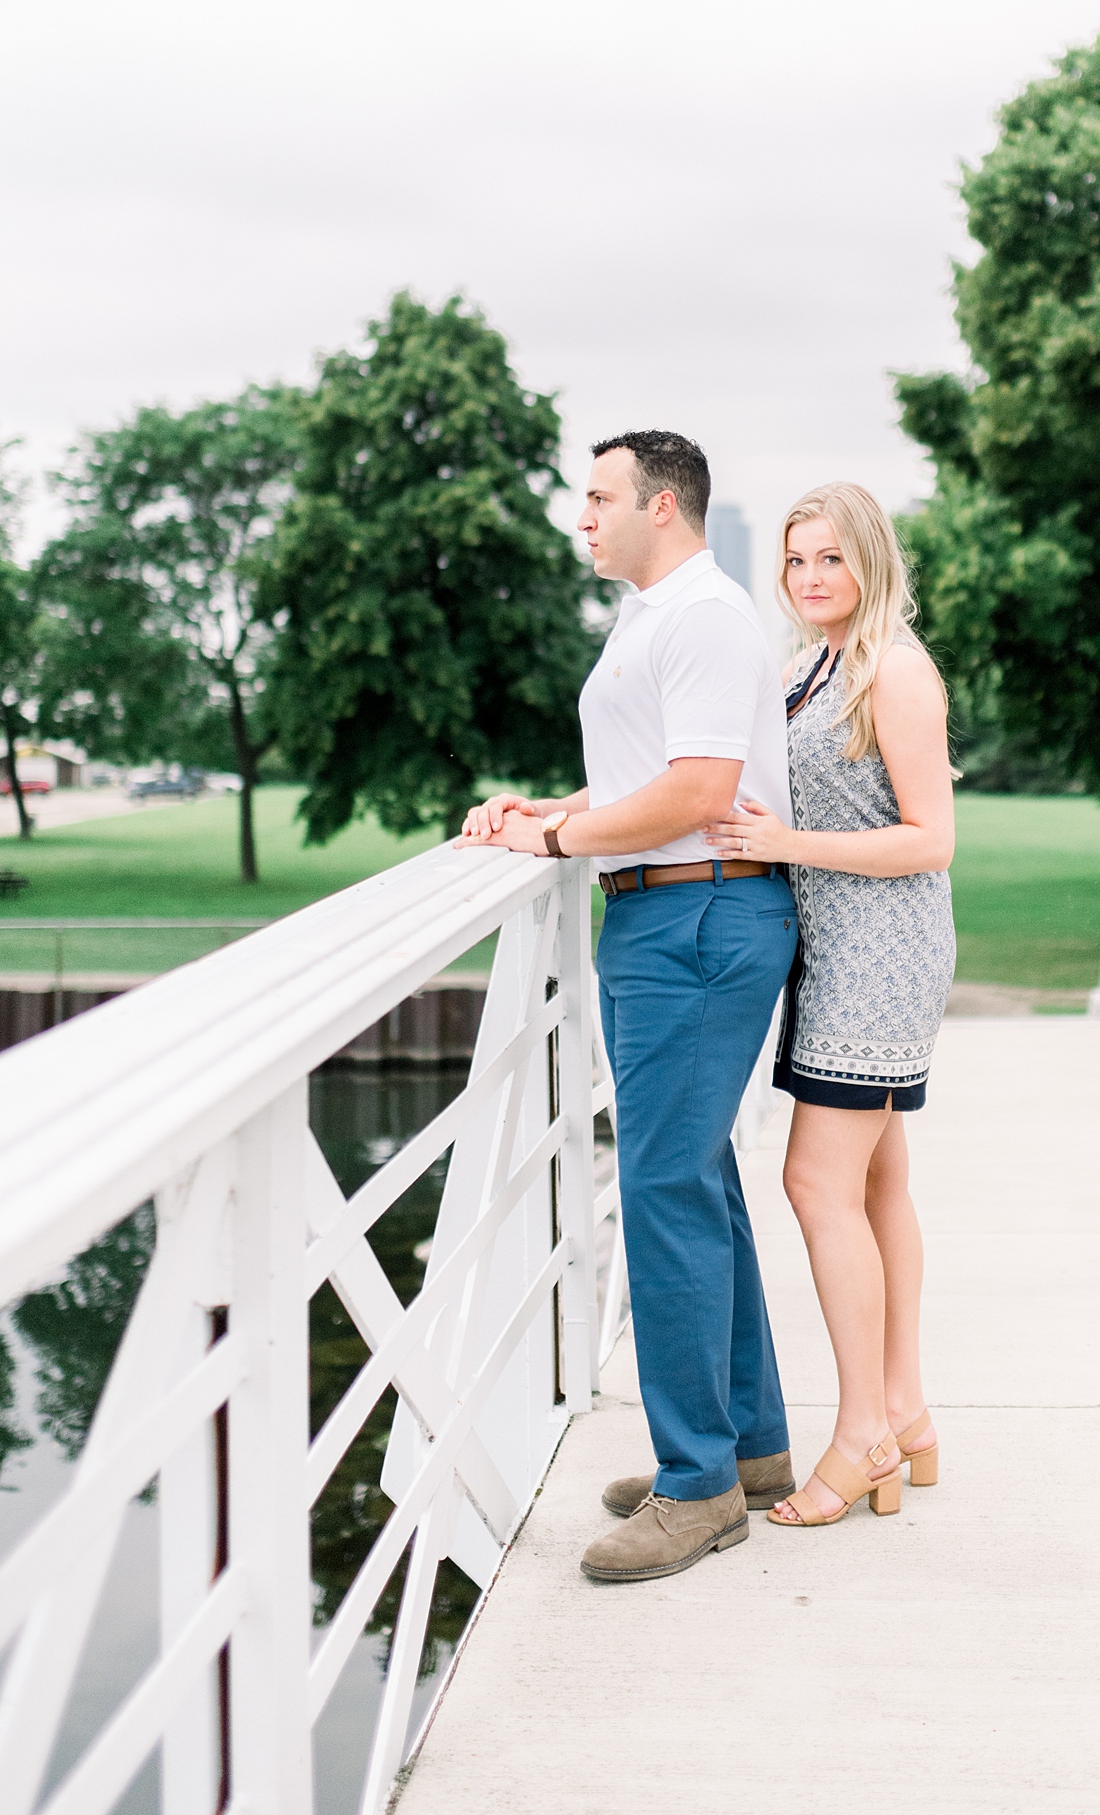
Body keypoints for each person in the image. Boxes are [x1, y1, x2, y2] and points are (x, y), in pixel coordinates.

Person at [460, 430, 800, 1582]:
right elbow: (653, 777)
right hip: (673, 911)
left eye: (599, 496)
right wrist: (549, 806)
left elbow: (703, 795)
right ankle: (745, 1454)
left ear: (665, 503)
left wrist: (559, 836)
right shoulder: (658, 618)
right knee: (694, 1181)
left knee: (661, 1188)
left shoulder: (702, 616)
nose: (581, 515)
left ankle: (695, 1486)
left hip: (696, 917)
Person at [702, 480, 955, 1528]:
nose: (810, 579)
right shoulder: (813, 662)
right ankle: (905, 1415)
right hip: (836, 947)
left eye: (830, 560)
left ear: (871, 562)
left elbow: (931, 837)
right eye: (796, 562)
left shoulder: (893, 668)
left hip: (880, 954)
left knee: (815, 1181)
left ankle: (860, 1437)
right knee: (877, 1178)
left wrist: (787, 844)